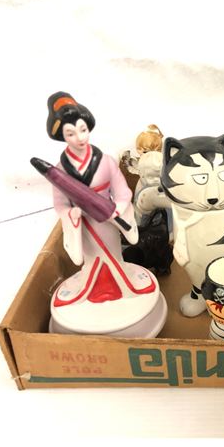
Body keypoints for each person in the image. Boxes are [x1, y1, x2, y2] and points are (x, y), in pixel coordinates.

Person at [46, 92, 158, 328]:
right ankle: (92, 288)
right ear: (62, 136)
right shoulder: (60, 169)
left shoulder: (106, 161)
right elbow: (60, 203)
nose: (79, 137)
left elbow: (123, 192)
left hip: (108, 220)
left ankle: (124, 285)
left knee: (114, 254)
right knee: (90, 258)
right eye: (70, 133)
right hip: (84, 225)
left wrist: (118, 208)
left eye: (83, 130)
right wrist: (71, 215)